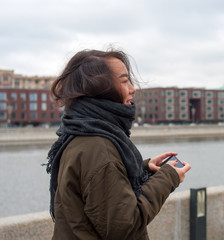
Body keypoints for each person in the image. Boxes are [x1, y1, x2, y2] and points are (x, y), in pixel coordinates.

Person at [44, 49, 191, 240]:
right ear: (100, 90)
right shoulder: (99, 147)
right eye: (124, 81)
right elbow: (125, 226)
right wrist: (168, 178)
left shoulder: (78, 131)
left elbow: (97, 183)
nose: (132, 88)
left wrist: (144, 168)